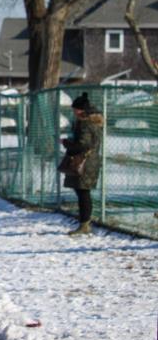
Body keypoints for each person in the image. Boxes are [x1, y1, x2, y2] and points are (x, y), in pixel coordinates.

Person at [62, 92, 103, 236]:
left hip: (84, 163)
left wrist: (66, 143)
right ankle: (84, 223)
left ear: (81, 110)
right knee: (83, 192)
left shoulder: (85, 124)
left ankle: (84, 224)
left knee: (83, 193)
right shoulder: (94, 123)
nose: (73, 112)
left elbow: (82, 145)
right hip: (91, 162)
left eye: (75, 109)